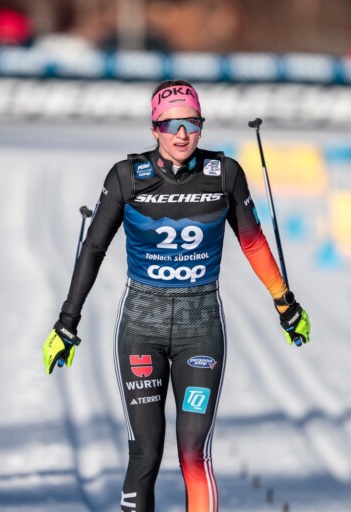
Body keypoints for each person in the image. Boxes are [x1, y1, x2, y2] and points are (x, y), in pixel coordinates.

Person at [42, 80, 311, 511]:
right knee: (144, 454)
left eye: (192, 123)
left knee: (194, 455)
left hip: (200, 330)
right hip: (141, 326)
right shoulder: (126, 177)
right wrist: (66, 322)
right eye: (171, 125)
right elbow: (93, 248)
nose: (182, 134)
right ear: (154, 128)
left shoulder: (225, 174)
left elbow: (254, 243)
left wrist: (285, 303)